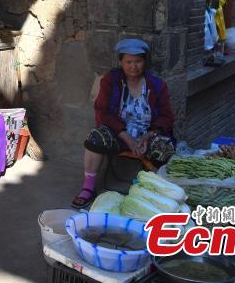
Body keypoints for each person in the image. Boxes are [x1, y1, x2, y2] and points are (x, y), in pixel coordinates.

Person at [71, 39, 176, 209]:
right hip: (119, 135)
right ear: (121, 62)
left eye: (138, 61)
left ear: (144, 62)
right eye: (129, 62)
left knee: (165, 146)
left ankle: (152, 189)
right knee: (95, 137)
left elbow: (167, 116)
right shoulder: (111, 81)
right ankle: (88, 188)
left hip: (146, 137)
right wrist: (126, 137)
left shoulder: (157, 85)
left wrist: (149, 135)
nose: (133, 66)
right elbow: (102, 112)